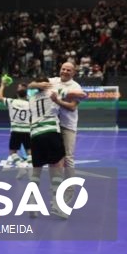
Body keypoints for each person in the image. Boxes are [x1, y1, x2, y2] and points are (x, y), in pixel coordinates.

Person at [26, 77, 87, 218]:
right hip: (51, 132)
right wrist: (69, 94)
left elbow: (29, 85)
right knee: (57, 169)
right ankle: (56, 205)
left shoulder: (31, 98)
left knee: (36, 172)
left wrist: (35, 84)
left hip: (35, 134)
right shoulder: (55, 91)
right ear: (47, 84)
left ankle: (31, 203)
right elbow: (82, 95)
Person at [0, 79, 31, 167]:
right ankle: (30, 167)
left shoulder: (11, 102)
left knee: (12, 152)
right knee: (30, 152)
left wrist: (3, 85)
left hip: (16, 130)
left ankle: (20, 165)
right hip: (28, 130)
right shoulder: (31, 103)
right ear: (26, 94)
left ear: (17, 93)